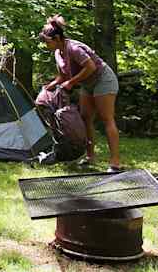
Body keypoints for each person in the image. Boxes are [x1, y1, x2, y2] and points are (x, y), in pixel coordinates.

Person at [38, 15, 122, 170]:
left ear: (57, 38)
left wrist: (71, 82)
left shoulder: (74, 48)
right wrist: (53, 84)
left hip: (103, 79)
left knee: (106, 119)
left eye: (47, 41)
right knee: (85, 119)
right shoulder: (58, 53)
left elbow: (91, 67)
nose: (45, 45)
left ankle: (115, 162)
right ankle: (90, 157)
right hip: (87, 84)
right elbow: (63, 74)